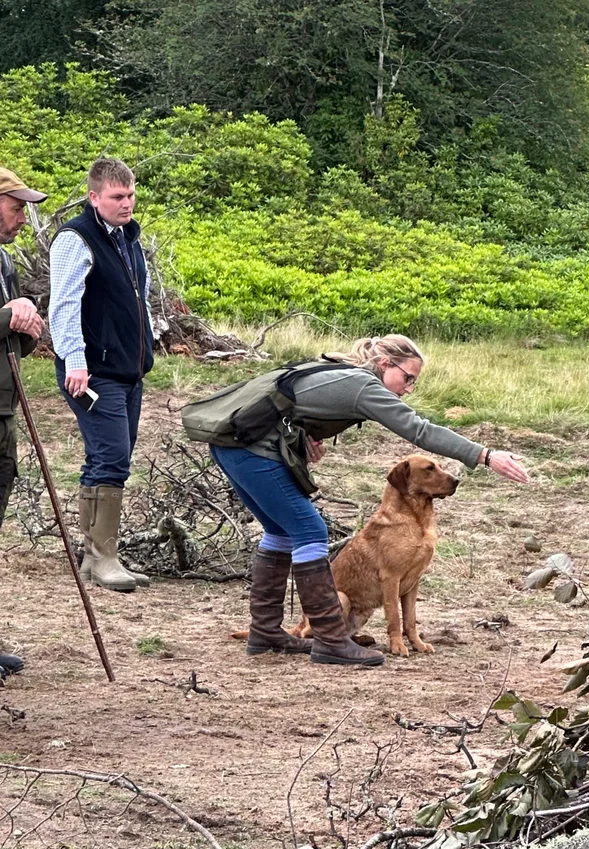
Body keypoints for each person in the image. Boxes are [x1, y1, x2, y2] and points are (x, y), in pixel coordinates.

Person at [204, 334, 529, 668]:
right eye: (407, 378)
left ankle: (266, 631)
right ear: (386, 364)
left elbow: (290, 407)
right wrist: (485, 455)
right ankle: (330, 640)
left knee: (281, 530)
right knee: (310, 531)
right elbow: (418, 430)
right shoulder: (363, 386)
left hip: (233, 443)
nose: (408, 388)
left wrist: (302, 440)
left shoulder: (344, 374)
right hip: (248, 448)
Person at [49, 156, 155, 593]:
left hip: (128, 369)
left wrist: (147, 344)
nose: (126, 203)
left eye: (130, 195)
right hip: (94, 372)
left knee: (112, 457)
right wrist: (75, 360)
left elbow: (139, 299)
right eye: (117, 197)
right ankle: (103, 557)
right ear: (94, 197)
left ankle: (96, 558)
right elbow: (64, 305)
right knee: (111, 457)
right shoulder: (76, 239)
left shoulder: (128, 237)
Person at [0, 167, 47, 677]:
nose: (22, 215)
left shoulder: (4, 260)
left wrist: (27, 321)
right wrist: (7, 315)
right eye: (15, 205)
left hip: (4, 409)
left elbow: (14, 338)